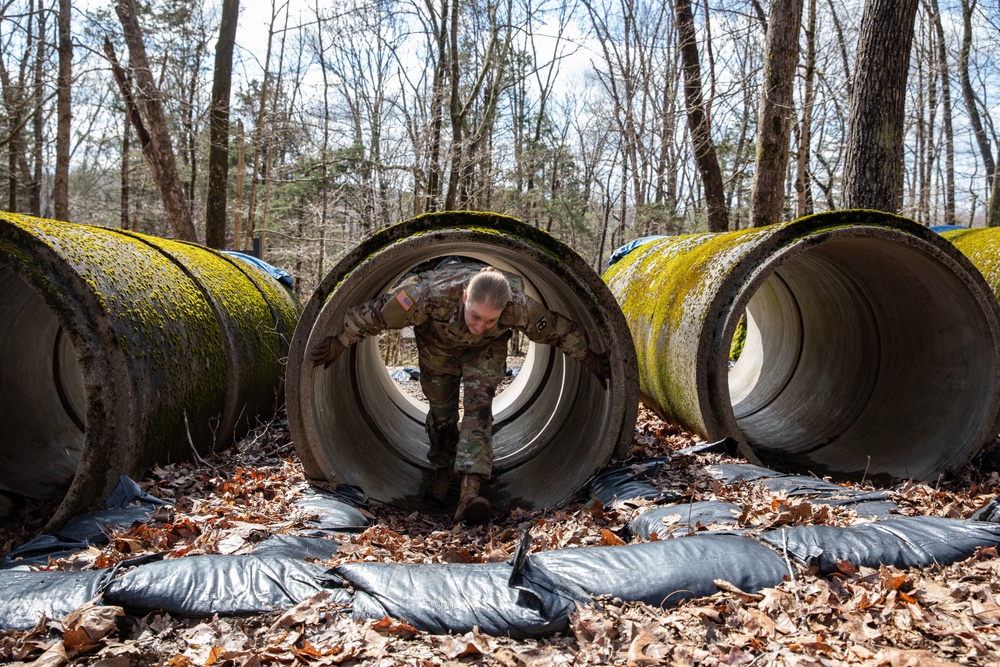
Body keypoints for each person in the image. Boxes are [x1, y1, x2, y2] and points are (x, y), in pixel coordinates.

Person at [310, 261, 611, 524]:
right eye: (476, 316)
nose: (481, 325)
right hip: (437, 348)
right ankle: (442, 468)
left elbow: (558, 330)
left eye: (491, 320)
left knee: (478, 410)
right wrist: (339, 341)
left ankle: (470, 492)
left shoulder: (519, 305)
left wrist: (591, 359)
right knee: (442, 412)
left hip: (485, 353)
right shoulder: (427, 294)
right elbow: (374, 315)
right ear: (465, 296)